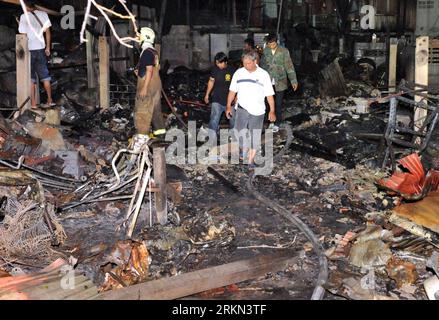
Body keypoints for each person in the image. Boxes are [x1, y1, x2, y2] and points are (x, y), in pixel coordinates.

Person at [226, 50, 275, 169]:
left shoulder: (263, 75)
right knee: (238, 132)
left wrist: (272, 110)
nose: (246, 65)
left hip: (257, 111)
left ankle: (250, 160)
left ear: (255, 61)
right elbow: (232, 91)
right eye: (244, 63)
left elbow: (269, 95)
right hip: (242, 108)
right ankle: (244, 150)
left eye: (248, 63)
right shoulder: (239, 73)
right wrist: (228, 106)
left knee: (255, 135)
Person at [18, 0, 54, 109]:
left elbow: (23, 35)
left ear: (26, 6)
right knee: (45, 76)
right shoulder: (43, 14)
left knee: (31, 78)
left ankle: (33, 104)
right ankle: (50, 100)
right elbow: (47, 32)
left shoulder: (23, 16)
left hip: (30, 50)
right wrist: (47, 47)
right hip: (41, 49)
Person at [260, 33, 298, 133]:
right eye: (269, 44)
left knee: (278, 103)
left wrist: (293, 80)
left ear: (276, 42)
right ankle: (270, 122)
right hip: (268, 81)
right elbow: (262, 66)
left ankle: (277, 123)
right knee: (267, 103)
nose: (271, 46)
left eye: (272, 44)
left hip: (280, 81)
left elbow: (289, 66)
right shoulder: (266, 51)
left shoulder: (284, 51)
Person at [133, 27, 166, 139]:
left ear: (144, 37)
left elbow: (149, 70)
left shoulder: (146, 52)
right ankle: (160, 136)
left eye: (139, 36)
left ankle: (141, 139)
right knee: (156, 112)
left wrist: (144, 88)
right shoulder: (153, 51)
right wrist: (139, 72)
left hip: (148, 85)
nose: (137, 39)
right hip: (156, 86)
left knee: (143, 111)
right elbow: (152, 68)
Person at [204, 52, 235, 137]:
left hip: (230, 100)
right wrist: (207, 94)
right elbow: (211, 81)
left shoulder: (232, 70)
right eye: (217, 63)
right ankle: (212, 136)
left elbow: (237, 85)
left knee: (233, 120)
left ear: (225, 62)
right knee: (214, 118)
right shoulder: (214, 69)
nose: (218, 65)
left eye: (220, 63)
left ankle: (233, 136)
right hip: (217, 98)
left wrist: (236, 97)